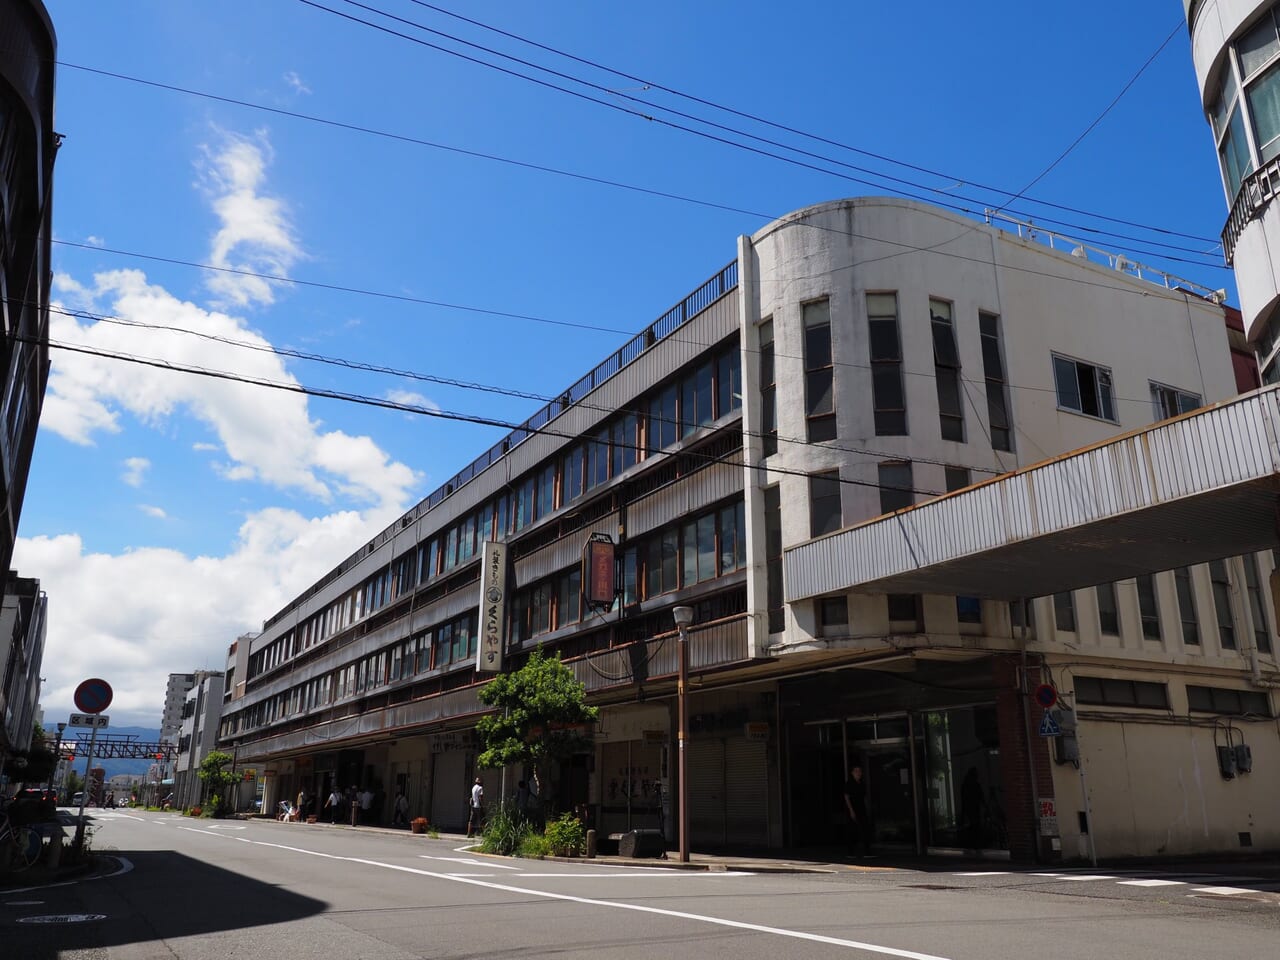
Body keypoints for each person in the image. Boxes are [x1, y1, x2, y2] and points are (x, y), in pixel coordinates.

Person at [843, 763, 871, 857]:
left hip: (861, 808)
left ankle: (867, 851)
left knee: (865, 829)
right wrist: (851, 810)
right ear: (852, 773)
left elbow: (864, 797)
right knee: (852, 830)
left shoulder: (862, 783)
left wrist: (867, 808)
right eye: (856, 771)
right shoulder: (849, 783)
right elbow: (846, 796)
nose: (858, 773)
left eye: (860, 771)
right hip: (853, 808)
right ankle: (850, 852)